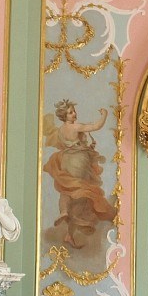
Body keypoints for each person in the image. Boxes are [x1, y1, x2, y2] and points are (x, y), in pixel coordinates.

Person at [42, 100, 118, 249]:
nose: (74, 114)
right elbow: (96, 126)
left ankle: (66, 220)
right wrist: (104, 115)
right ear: (64, 116)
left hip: (65, 160)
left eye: (74, 111)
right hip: (78, 162)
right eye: (70, 112)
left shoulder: (60, 131)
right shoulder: (75, 127)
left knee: (66, 191)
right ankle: (72, 225)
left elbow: (71, 145)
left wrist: (88, 147)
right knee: (82, 195)